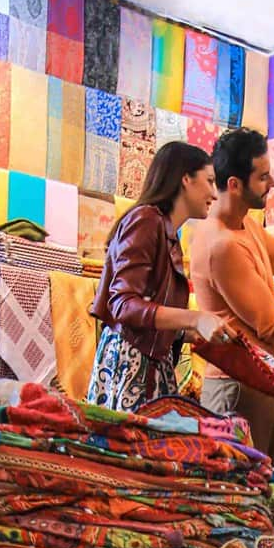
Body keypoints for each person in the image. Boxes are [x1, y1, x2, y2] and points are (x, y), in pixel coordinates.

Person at [190, 128, 274, 465]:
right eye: (263, 177)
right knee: (241, 495)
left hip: (265, 380)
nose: (273, 184)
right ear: (235, 184)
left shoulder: (247, 227)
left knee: (273, 488)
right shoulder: (222, 245)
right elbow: (269, 325)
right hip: (237, 388)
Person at [88, 142, 237, 413]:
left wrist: (190, 333)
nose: (214, 195)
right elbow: (124, 305)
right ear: (185, 179)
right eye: (209, 181)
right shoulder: (146, 220)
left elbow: (149, 311)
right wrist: (196, 318)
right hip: (131, 365)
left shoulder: (165, 230)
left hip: (148, 364)